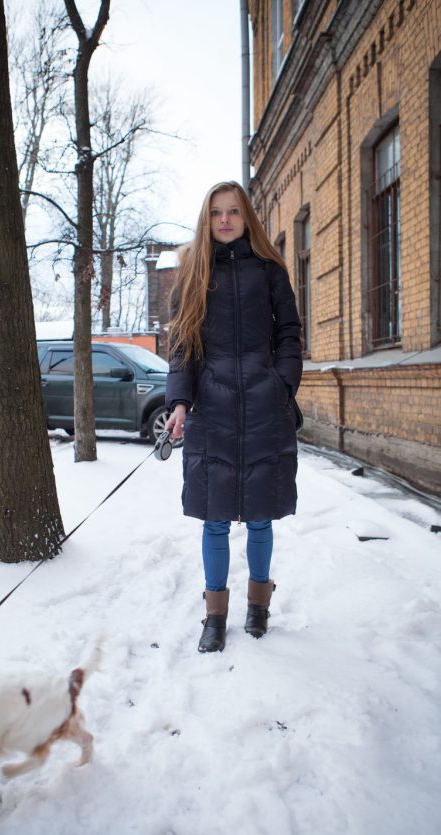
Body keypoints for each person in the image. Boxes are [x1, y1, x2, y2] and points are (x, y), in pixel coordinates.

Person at [165, 180, 302, 653]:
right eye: (216, 212)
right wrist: (180, 402)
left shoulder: (270, 269)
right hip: (213, 409)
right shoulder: (193, 273)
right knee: (215, 519)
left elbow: (289, 332)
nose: (225, 219)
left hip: (265, 407)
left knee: (261, 518)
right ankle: (215, 616)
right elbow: (181, 347)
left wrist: (282, 384)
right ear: (206, 220)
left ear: (247, 218)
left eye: (234, 211)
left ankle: (258, 607)